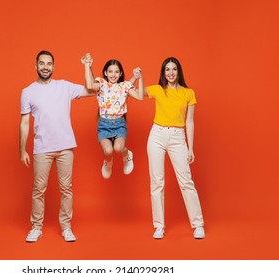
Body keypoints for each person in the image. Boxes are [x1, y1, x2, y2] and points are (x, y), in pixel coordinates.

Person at [19, 50, 94, 243]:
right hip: (42, 148)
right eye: (42, 63)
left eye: (49, 64)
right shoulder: (28, 92)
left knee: (66, 189)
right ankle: (36, 227)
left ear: (53, 66)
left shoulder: (64, 86)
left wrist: (88, 66)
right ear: (35, 66)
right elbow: (24, 123)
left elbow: (91, 89)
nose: (45, 67)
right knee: (38, 189)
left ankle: (66, 227)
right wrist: (22, 150)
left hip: (65, 147)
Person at [145, 57, 205, 239]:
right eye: (167, 70)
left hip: (178, 137)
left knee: (186, 181)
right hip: (157, 135)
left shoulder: (188, 93)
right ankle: (159, 226)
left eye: (174, 69)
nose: (170, 73)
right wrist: (134, 78)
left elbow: (190, 122)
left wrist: (191, 148)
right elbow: (137, 94)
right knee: (157, 182)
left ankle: (198, 224)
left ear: (179, 71)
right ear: (163, 73)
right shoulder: (157, 89)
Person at [81, 53, 143, 179]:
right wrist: (87, 65)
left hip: (119, 124)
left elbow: (140, 96)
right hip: (104, 124)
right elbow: (89, 85)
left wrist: (139, 78)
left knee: (118, 148)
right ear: (105, 72)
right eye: (110, 71)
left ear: (120, 73)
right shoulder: (102, 84)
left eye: (116, 72)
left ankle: (127, 156)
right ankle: (108, 162)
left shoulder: (124, 85)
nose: (113, 75)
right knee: (108, 151)